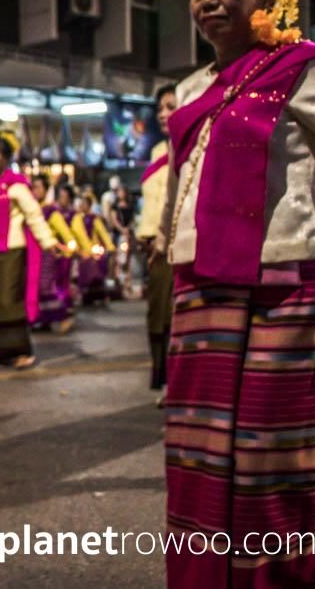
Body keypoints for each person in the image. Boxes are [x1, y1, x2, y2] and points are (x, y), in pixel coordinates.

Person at [155, 0, 315, 584]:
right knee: (199, 452)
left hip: (288, 283)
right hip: (199, 285)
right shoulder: (193, 89)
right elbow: (184, 186)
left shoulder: (309, 69)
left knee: (269, 457)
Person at [0, 133, 58, 369]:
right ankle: (0, 351)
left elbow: (34, 215)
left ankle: (21, 350)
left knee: (9, 299)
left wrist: (48, 241)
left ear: (5, 158)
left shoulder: (17, 185)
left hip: (11, 250)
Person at [138, 84, 177, 403]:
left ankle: (178, 383)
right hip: (153, 247)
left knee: (174, 315)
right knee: (157, 315)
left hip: (176, 245)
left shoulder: (193, 148)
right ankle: (165, 380)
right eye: (160, 108)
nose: (163, 113)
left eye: (170, 106)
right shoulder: (157, 152)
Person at [31, 175, 79, 334]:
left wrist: (68, 250)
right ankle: (43, 320)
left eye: (38, 187)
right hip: (33, 255)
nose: (35, 191)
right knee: (36, 288)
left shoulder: (51, 211)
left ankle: (63, 317)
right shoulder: (31, 209)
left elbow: (66, 234)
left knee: (45, 287)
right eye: (33, 187)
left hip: (48, 254)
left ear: (46, 190)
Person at [72, 199, 115, 306]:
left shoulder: (95, 219)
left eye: (85, 204)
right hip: (83, 253)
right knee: (84, 277)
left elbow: (103, 233)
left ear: (89, 206)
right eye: (81, 204)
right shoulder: (76, 219)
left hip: (94, 252)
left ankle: (100, 296)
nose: (82, 206)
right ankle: (86, 297)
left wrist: (110, 247)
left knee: (97, 275)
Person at [108, 185, 136, 296]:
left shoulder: (130, 206)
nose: (121, 193)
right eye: (119, 191)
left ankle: (128, 283)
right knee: (117, 259)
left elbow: (132, 219)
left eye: (122, 191)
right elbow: (114, 220)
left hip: (128, 235)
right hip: (118, 235)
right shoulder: (114, 207)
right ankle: (117, 282)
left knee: (128, 259)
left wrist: (127, 229)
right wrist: (121, 229)